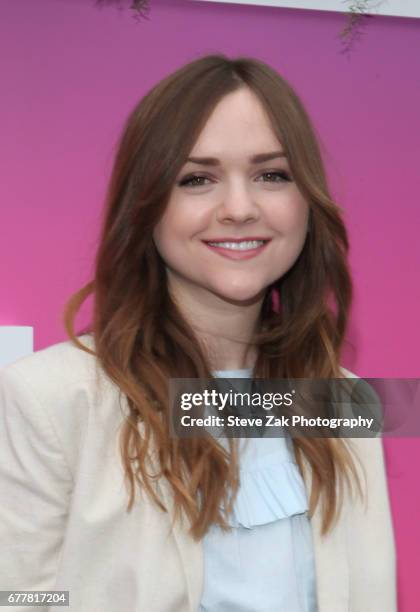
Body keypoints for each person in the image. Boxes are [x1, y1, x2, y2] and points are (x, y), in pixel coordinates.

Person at [0, 54, 396, 611]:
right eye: (198, 179)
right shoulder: (49, 397)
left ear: (307, 200)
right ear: (146, 207)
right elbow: (18, 598)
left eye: (271, 175)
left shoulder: (343, 400)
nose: (239, 207)